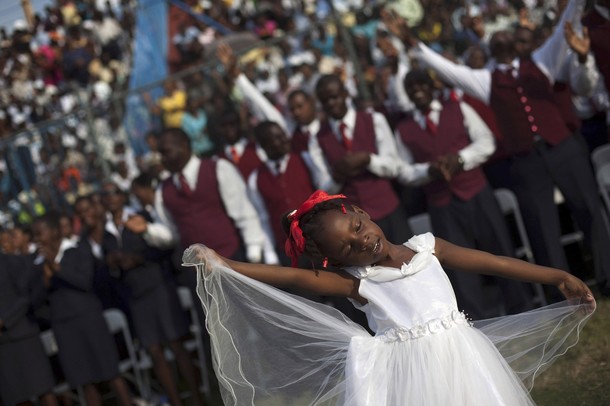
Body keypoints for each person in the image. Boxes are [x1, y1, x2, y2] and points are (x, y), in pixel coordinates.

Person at [184, 190, 595, 405]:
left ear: (363, 213)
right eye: (348, 248)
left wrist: (556, 275)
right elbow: (296, 279)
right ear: (334, 261)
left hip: (465, 358)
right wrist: (225, 264)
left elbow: (491, 262)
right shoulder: (359, 283)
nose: (363, 242)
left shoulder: (428, 247)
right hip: (413, 377)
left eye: (359, 227)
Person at [383, 3, 610, 296]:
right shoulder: (486, 80)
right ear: (489, 48)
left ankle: (606, 277)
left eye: (506, 35)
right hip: (527, 160)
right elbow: (447, 69)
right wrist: (412, 43)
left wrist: (577, 5)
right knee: (542, 226)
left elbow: (561, 31)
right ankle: (559, 292)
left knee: (589, 209)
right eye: (495, 38)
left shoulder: (542, 62)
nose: (500, 38)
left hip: (563, 149)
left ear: (516, 44)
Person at [394, 68, 533, 318]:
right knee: (458, 266)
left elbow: (486, 141)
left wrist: (461, 158)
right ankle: (476, 321)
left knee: (499, 249)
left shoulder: (457, 109)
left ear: (432, 86)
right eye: (411, 87)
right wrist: (428, 171)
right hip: (441, 202)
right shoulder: (403, 128)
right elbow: (403, 170)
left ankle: (522, 308)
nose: (418, 90)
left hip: (477, 191)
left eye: (422, 84)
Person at [32, 212, 133, 406]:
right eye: (34, 234)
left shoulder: (78, 250)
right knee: (85, 381)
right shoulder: (37, 262)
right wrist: (44, 280)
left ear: (54, 232)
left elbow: (85, 282)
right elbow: (35, 302)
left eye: (40, 233)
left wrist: (57, 268)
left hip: (89, 320)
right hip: (64, 328)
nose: (37, 238)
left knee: (111, 374)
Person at [313, 73, 413, 245]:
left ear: (345, 94)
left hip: (388, 209)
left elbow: (394, 166)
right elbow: (323, 186)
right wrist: (338, 175)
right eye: (325, 101)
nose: (331, 103)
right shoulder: (318, 138)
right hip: (355, 224)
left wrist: (368, 160)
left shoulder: (374, 120)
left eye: (334, 97)